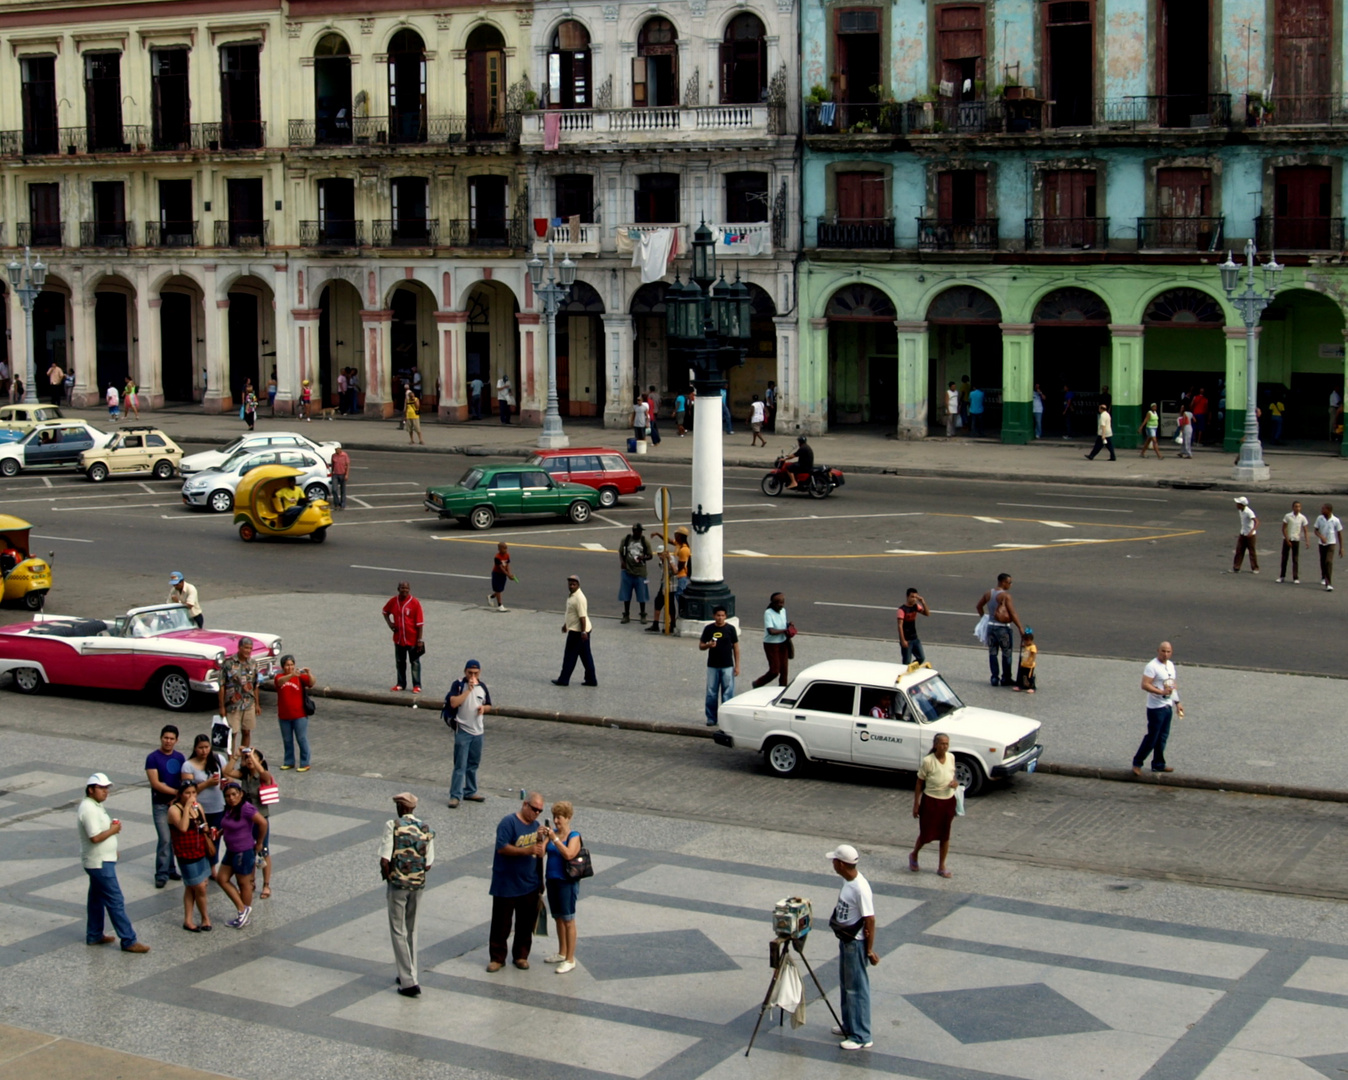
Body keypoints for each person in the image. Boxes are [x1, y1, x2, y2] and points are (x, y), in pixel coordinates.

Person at [79, 773, 150, 953]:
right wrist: (113, 830)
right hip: (99, 863)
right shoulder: (88, 808)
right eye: (101, 788)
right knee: (115, 900)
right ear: (91, 789)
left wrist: (112, 847)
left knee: (96, 898)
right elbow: (95, 837)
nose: (105, 792)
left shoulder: (95, 806)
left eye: (106, 788)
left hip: (102, 859)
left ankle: (94, 934)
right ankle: (128, 939)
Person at [381, 792, 435, 997]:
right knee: (412, 930)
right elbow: (428, 864)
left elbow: (385, 859)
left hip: (398, 884)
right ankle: (411, 972)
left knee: (397, 930)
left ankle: (408, 981)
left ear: (400, 808)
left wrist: (390, 878)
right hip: (418, 884)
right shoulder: (426, 829)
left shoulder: (392, 825)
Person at [487, 793, 546, 972]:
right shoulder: (508, 823)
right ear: (525, 804)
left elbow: (539, 854)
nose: (536, 813)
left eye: (540, 810)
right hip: (506, 882)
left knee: (525, 924)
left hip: (529, 883)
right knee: (501, 923)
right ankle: (497, 957)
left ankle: (521, 955)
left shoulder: (536, 827)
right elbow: (502, 847)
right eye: (534, 809)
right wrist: (526, 850)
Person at [827, 843, 877, 1051]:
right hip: (847, 941)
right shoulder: (849, 882)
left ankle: (861, 1035)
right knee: (847, 986)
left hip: (855, 943)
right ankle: (849, 1025)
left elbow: (870, 920)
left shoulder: (860, 887)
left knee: (856, 989)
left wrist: (869, 950)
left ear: (840, 863)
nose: (832, 864)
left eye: (834, 861)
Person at [214, 780, 268, 928]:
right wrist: (220, 833)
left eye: (233, 794)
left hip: (243, 851)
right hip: (231, 850)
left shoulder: (246, 808)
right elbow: (229, 825)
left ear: (240, 794)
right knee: (222, 878)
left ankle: (242, 912)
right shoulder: (230, 809)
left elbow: (262, 823)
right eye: (227, 796)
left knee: (244, 883)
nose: (231, 798)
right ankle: (242, 909)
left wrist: (259, 842)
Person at [226, 746, 276, 898]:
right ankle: (251, 882)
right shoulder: (244, 776)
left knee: (263, 850)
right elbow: (227, 772)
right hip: (246, 820)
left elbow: (264, 774)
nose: (249, 760)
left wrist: (254, 757)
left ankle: (266, 884)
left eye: (253, 758)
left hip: (261, 817)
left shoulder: (262, 777)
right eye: (247, 758)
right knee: (249, 850)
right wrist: (236, 756)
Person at [169, 779, 216, 932]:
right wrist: (188, 806)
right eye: (187, 793)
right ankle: (205, 917)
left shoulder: (198, 807)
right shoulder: (174, 810)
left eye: (194, 792)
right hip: (185, 853)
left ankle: (188, 919)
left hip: (200, 850)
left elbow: (204, 825)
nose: (191, 796)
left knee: (192, 887)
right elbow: (182, 828)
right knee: (199, 887)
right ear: (181, 794)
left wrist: (209, 833)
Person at [541, 801, 582, 974]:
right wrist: (541, 837)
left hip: (567, 882)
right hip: (552, 880)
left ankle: (570, 959)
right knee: (558, 917)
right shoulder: (552, 835)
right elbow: (540, 852)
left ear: (568, 818)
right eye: (555, 817)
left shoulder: (574, 836)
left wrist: (555, 839)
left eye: (560, 818)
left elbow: (569, 854)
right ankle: (562, 952)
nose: (556, 821)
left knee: (568, 919)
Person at [445, 659, 492, 807]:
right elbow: (453, 702)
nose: (472, 676)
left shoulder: (483, 687)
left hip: (478, 731)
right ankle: (455, 795)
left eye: (475, 673)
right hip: (463, 730)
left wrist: (484, 709)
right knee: (460, 765)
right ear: (465, 672)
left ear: (480, 673)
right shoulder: (458, 685)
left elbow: (489, 705)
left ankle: (470, 791)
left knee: (473, 763)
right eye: (470, 673)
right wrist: (468, 690)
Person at [910, 733, 958, 877]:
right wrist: (916, 803)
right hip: (931, 801)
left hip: (947, 801)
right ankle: (914, 854)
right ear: (935, 745)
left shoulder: (951, 757)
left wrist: (955, 783)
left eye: (947, 744)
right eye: (942, 744)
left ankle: (941, 866)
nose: (944, 747)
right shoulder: (928, 761)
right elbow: (919, 782)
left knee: (945, 835)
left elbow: (952, 774)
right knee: (925, 834)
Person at [145, 725, 186, 888]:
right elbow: (155, 783)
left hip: (176, 805)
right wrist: (176, 792)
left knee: (173, 838)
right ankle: (161, 873)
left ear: (176, 740)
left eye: (171, 738)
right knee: (164, 839)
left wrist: (178, 798)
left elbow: (184, 779)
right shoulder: (152, 758)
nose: (168, 741)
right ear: (161, 738)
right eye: (165, 738)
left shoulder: (180, 757)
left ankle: (171, 869)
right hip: (160, 804)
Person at [1134, 641, 1181, 776]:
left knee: (1163, 737)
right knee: (1152, 737)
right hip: (1156, 708)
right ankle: (1137, 762)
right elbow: (1145, 685)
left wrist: (1177, 702)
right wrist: (1160, 692)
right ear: (1158, 651)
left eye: (1168, 652)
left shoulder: (1170, 665)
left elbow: (1172, 685)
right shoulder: (1152, 666)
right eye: (1163, 651)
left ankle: (1158, 764)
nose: (1166, 654)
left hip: (1167, 706)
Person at [183, 735, 226, 866]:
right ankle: (201, 865)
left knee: (215, 838)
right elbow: (188, 790)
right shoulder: (188, 765)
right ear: (195, 749)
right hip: (198, 809)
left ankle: (212, 866)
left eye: (207, 747)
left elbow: (228, 775)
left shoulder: (218, 759)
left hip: (218, 807)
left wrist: (225, 782)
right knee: (199, 839)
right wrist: (207, 783)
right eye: (201, 748)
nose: (204, 751)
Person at [976, 573, 1023, 687]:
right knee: (1006, 653)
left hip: (991, 627)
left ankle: (994, 678)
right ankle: (1006, 678)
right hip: (1003, 628)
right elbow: (1012, 613)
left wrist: (984, 618)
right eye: (1009, 582)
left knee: (993, 653)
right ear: (1003, 582)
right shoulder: (1005, 596)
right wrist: (1020, 627)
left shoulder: (988, 593)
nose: (1010, 584)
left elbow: (979, 606)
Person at [554, 575, 598, 687]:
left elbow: (582, 617)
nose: (571, 585)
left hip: (578, 632)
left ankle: (563, 680)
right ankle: (591, 679)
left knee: (570, 656)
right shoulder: (573, 596)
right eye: (570, 583)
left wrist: (583, 632)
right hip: (578, 630)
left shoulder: (579, 598)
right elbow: (572, 614)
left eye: (574, 583)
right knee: (586, 656)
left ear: (578, 585)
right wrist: (566, 625)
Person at [699, 605, 740, 727]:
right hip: (712, 665)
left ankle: (726, 718)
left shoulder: (731, 629)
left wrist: (737, 666)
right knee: (711, 692)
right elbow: (701, 646)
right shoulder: (709, 629)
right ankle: (711, 718)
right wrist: (708, 645)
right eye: (718, 615)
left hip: (727, 665)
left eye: (722, 616)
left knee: (728, 693)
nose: (720, 618)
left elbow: (736, 648)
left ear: (726, 616)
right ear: (714, 616)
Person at [218, 637, 260, 749]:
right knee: (232, 733)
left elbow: (256, 685)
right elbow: (222, 686)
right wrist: (222, 707)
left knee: (247, 732)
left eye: (250, 648)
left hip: (249, 703)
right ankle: (231, 760)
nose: (248, 651)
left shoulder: (253, 663)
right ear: (239, 647)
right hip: (233, 705)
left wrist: (257, 704)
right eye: (246, 648)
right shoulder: (228, 663)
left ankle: (244, 760)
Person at [383, 581, 425, 692]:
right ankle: (401, 684)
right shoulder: (393, 601)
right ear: (398, 589)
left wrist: (420, 640)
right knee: (400, 662)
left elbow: (420, 623)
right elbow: (385, 611)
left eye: (406, 588)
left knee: (415, 662)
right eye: (402, 588)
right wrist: (390, 624)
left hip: (412, 639)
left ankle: (417, 685)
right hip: (399, 639)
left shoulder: (415, 603)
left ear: (409, 589)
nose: (404, 590)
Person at [275, 655, 315, 771]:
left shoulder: (300, 677)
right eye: (287, 665)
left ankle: (305, 762)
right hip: (284, 715)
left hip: (300, 715)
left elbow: (311, 683)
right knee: (287, 740)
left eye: (292, 665)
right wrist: (291, 675)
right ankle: (289, 761)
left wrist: (309, 674)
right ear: (283, 666)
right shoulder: (279, 676)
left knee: (301, 738)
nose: (290, 667)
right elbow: (279, 682)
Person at [647, 527, 690, 633]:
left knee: (677, 602)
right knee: (665, 602)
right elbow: (668, 540)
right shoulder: (679, 545)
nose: (674, 536)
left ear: (680, 536)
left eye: (676, 534)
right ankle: (668, 624)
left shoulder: (684, 550)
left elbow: (677, 570)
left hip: (678, 579)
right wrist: (658, 534)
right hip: (670, 580)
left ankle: (676, 624)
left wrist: (668, 560)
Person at [753, 592, 791, 688]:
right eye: (779, 603)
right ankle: (758, 683)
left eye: (783, 602)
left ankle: (782, 689)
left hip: (783, 642)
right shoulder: (768, 613)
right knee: (774, 671)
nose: (781, 605)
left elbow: (783, 623)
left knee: (784, 670)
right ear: (773, 603)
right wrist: (785, 630)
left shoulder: (783, 611)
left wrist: (789, 625)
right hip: (771, 644)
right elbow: (771, 631)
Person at [617, 523, 653, 624]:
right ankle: (626, 614)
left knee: (642, 595)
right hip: (627, 571)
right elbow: (620, 552)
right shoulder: (626, 540)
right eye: (638, 531)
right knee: (626, 595)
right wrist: (623, 562)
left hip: (640, 573)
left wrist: (643, 557)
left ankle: (643, 614)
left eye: (641, 531)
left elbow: (650, 555)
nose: (640, 533)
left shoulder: (644, 541)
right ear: (634, 531)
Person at [1280, 500, 1311, 583]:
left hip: (1296, 539)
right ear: (1293, 507)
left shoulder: (1302, 517)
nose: (1297, 508)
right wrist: (1287, 540)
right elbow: (1283, 529)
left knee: (1295, 559)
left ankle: (1295, 577)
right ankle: (1282, 576)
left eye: (1299, 506)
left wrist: (1307, 541)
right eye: (1296, 506)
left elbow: (1305, 530)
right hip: (1287, 539)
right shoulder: (1288, 516)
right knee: (1284, 558)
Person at [1314, 502, 1343, 591]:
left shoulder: (1335, 520)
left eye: (1323, 509)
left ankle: (1328, 583)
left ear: (1329, 510)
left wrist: (1341, 547)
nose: (1322, 510)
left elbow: (1339, 533)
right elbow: (1316, 530)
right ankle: (1323, 576)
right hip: (1322, 543)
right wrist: (1321, 536)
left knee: (1328, 561)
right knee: (1323, 560)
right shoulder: (1320, 518)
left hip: (1331, 543)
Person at [897, 588, 928, 665]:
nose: (914, 599)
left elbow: (927, 614)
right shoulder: (902, 610)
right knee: (906, 661)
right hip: (907, 639)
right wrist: (903, 640)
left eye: (916, 597)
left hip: (914, 638)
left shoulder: (916, 606)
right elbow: (900, 626)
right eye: (912, 597)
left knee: (921, 658)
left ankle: (912, 668)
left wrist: (923, 603)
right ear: (907, 597)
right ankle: (905, 672)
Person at [1233, 496, 1260, 574]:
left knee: (1252, 551)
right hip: (1243, 533)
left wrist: (1252, 531)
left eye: (1238, 504)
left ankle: (1255, 568)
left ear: (1242, 505)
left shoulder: (1249, 512)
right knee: (1239, 550)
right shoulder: (1240, 511)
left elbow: (1257, 522)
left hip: (1250, 535)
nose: (1236, 505)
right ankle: (1236, 567)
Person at [489, 541, 516, 611]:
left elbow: (507, 565)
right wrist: (508, 575)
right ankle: (500, 605)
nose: (505, 550)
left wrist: (509, 574)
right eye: (504, 548)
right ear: (499, 549)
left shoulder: (507, 555)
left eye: (506, 548)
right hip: (497, 574)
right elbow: (501, 568)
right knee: (498, 589)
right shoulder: (497, 557)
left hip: (503, 574)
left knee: (500, 589)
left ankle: (491, 597)